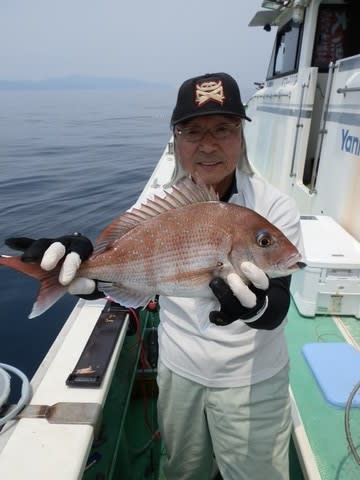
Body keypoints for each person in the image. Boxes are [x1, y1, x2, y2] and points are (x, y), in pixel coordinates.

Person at [6, 72, 303, 480]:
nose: (209, 144)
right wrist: (84, 267)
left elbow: (278, 307)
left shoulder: (273, 209)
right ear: (176, 140)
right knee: (182, 471)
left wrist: (258, 306)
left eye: (223, 129)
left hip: (252, 378)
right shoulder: (157, 205)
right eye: (193, 131)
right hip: (179, 371)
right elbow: (121, 268)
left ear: (241, 136)